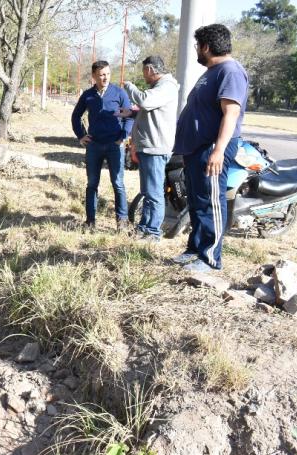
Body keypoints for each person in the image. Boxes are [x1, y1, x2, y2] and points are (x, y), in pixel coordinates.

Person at [172, 24, 249, 272]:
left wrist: (218, 151)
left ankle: (210, 257)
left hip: (212, 147)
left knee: (211, 202)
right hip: (196, 149)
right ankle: (195, 250)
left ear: (206, 46)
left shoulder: (230, 71)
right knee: (196, 202)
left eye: (197, 46)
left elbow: (231, 113)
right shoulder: (212, 72)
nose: (196, 50)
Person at [121, 56, 180, 242]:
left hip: (156, 148)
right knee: (148, 192)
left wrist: (129, 87)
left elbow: (145, 101)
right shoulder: (159, 88)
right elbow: (151, 110)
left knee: (154, 193)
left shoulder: (167, 86)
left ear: (150, 70)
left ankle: (153, 233)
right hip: (148, 148)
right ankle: (144, 228)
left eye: (144, 71)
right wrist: (131, 113)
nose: (143, 76)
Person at [71, 61, 135, 231]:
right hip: (94, 146)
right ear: (94, 76)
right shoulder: (88, 95)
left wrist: (123, 136)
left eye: (107, 73)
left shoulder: (119, 93)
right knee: (92, 183)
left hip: (115, 145)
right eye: (101, 74)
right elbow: (76, 116)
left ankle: (122, 222)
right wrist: (81, 135)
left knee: (118, 183)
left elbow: (129, 117)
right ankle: (90, 222)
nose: (105, 77)